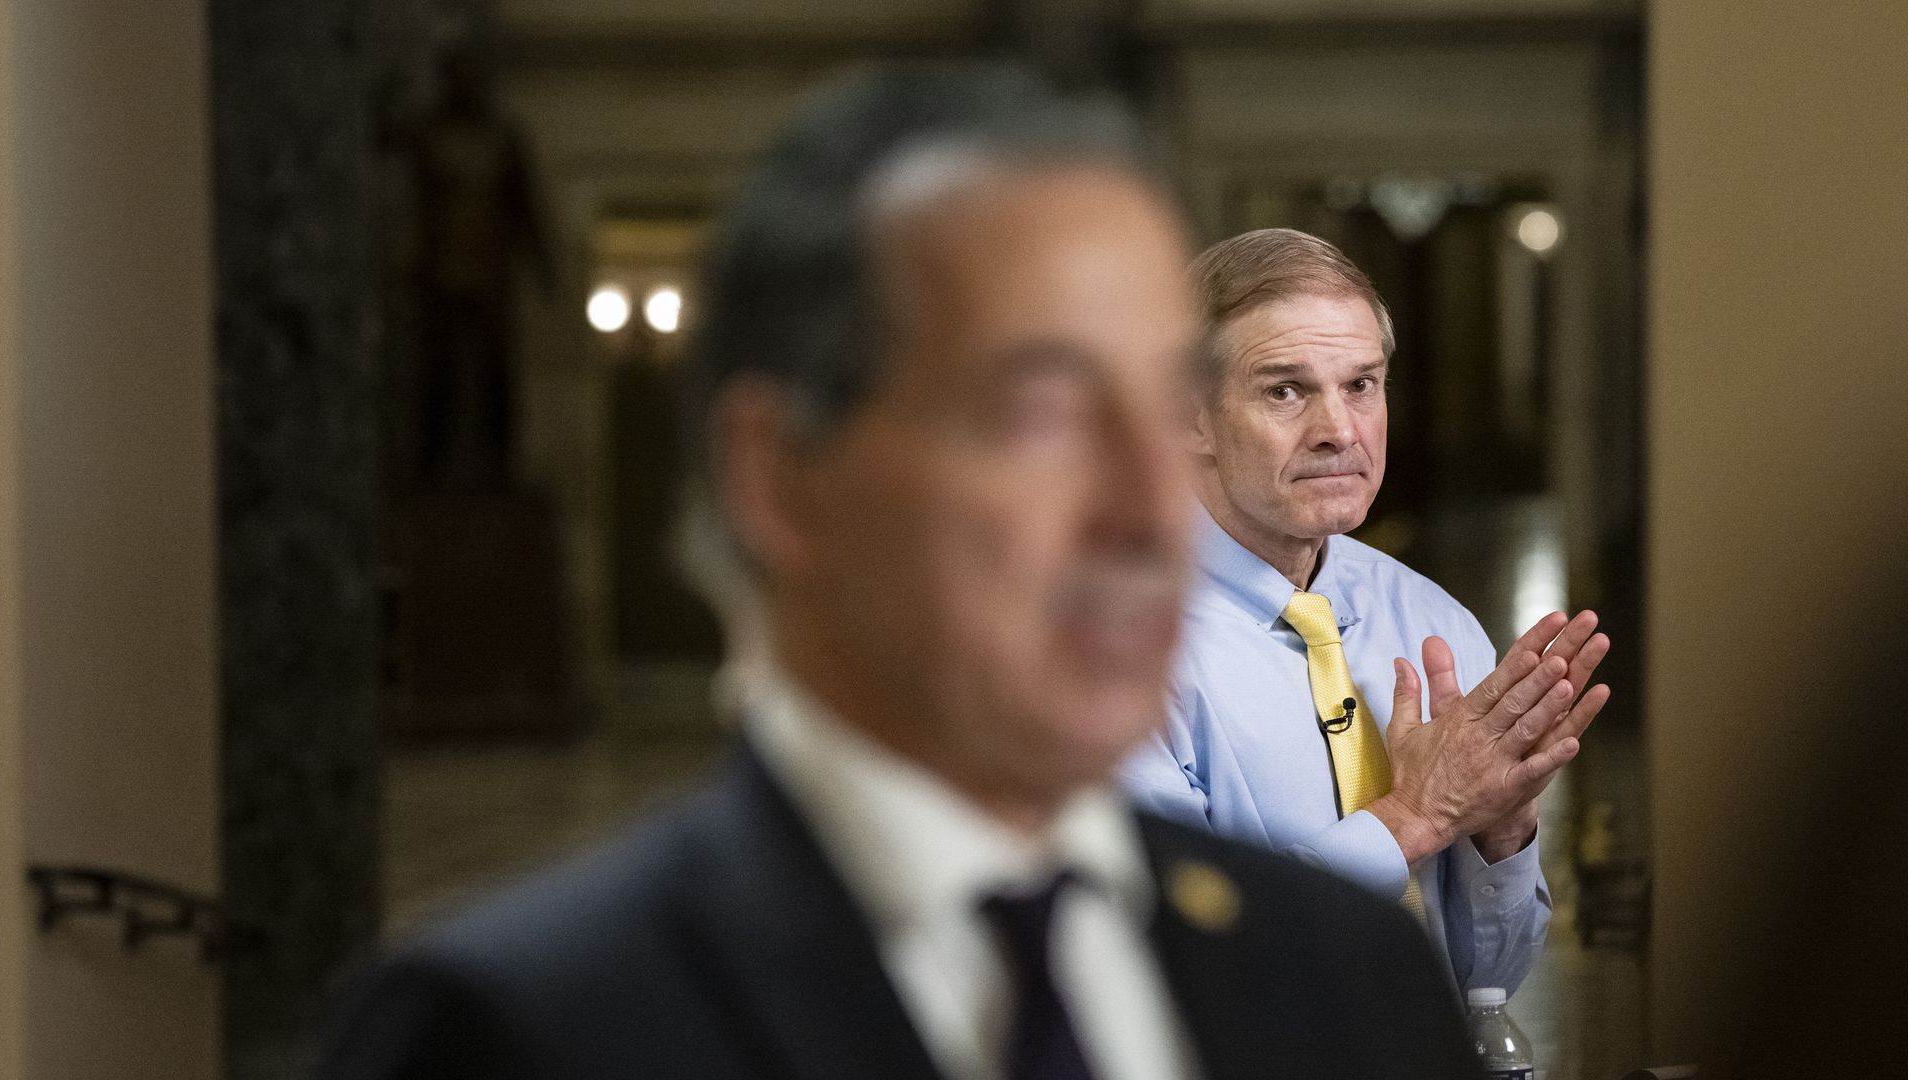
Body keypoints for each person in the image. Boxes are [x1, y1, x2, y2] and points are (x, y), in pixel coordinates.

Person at [317, 71, 1483, 1080]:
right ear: (779, 477)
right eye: (1043, 411)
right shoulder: (516, 1034)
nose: (1144, 510)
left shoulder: (1355, 979)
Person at [1122, 228, 1610, 995]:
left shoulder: (1431, 620)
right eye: (1285, 390)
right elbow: (1180, 961)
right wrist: (1413, 816)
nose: (1339, 431)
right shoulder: (1118, 648)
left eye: (1361, 385)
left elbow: (1491, 980)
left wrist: (1501, 833)